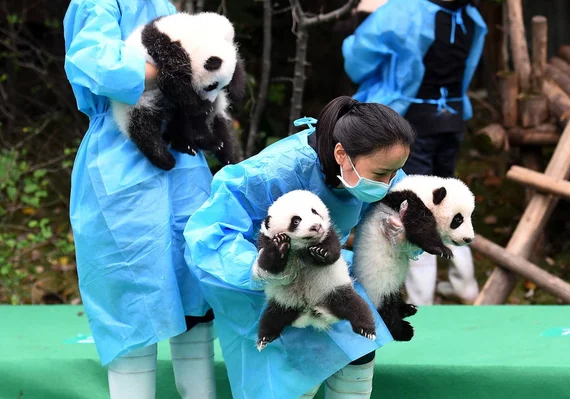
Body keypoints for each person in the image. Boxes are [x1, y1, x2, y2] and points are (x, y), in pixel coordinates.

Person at [184, 96, 416, 399]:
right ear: (341, 155)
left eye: (394, 172)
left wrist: (404, 236)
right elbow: (209, 233)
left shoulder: (380, 164)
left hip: (324, 267)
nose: (389, 182)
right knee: (292, 374)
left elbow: (400, 208)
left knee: (360, 345)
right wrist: (261, 269)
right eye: (381, 175)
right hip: (256, 281)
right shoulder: (275, 172)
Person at [63, 1, 217, 398]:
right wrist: (175, 75)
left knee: (195, 284)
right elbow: (92, 61)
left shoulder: (161, 3)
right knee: (131, 293)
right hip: (122, 153)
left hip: (182, 155)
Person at [342, 0, 487, 305]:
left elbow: (357, 61)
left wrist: (369, 16)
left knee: (415, 205)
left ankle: (422, 297)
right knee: (449, 199)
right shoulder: (472, 17)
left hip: (411, 123)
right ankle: (465, 284)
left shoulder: (405, 11)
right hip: (452, 119)